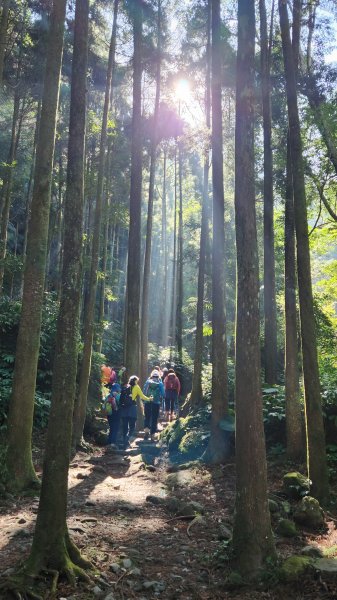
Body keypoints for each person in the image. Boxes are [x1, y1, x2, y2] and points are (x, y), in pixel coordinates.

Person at [119, 374, 151, 449]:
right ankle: (127, 438)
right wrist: (150, 399)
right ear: (136, 381)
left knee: (125, 426)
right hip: (132, 409)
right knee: (132, 426)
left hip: (124, 409)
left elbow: (121, 398)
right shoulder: (136, 387)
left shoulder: (126, 386)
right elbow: (142, 396)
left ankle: (125, 441)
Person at [143, 370, 165, 441]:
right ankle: (152, 435)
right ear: (158, 376)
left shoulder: (147, 382)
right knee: (154, 418)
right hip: (156, 403)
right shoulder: (160, 383)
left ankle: (146, 431)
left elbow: (144, 392)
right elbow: (163, 394)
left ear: (151, 375)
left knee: (147, 417)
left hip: (147, 402)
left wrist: (145, 400)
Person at [104, 382, 121, 449]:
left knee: (111, 428)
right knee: (115, 429)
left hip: (109, 414)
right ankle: (113, 443)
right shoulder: (118, 395)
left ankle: (109, 443)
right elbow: (121, 404)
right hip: (116, 414)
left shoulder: (108, 396)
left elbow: (103, 406)